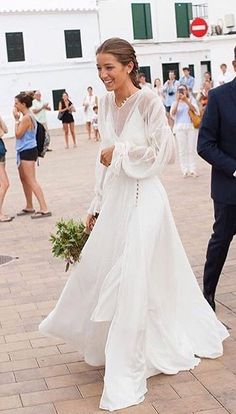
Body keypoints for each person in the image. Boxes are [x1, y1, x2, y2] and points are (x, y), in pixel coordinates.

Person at [39, 38, 228, 412]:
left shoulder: (149, 101)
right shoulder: (107, 103)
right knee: (112, 269)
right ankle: (134, 340)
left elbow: (165, 153)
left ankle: (130, 360)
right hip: (118, 198)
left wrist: (121, 152)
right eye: (98, 69)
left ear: (129, 66)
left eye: (109, 67)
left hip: (146, 198)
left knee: (131, 272)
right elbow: (102, 159)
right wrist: (96, 202)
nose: (103, 75)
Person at [197, 56, 236, 312]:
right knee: (220, 241)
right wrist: (234, 168)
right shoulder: (220, 96)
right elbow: (204, 145)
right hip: (229, 190)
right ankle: (207, 296)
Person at [13, 93, 51, 219]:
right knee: (24, 179)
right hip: (24, 150)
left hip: (28, 150)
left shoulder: (26, 118)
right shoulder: (28, 115)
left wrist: (16, 119)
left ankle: (44, 208)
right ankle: (29, 205)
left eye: (16, 103)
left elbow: (18, 134)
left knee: (31, 179)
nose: (15, 105)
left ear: (23, 104)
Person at [170, 84, 200, 177]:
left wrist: (186, 100)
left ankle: (193, 169)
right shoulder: (175, 102)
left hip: (190, 126)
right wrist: (178, 101)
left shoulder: (191, 100)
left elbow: (195, 110)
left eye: (183, 90)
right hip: (180, 127)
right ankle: (185, 170)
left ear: (187, 91)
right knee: (182, 150)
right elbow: (173, 113)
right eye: (179, 90)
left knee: (191, 148)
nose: (181, 92)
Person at [0, 115, 13, 222]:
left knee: (2, 184)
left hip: (1, 151)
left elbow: (6, 130)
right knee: (5, 184)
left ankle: (1, 212)